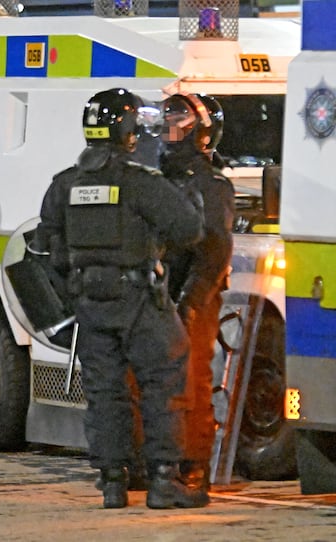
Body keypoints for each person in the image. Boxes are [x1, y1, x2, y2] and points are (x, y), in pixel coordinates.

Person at [32, 88, 207, 509]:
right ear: (127, 131)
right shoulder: (138, 182)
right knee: (163, 382)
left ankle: (113, 482)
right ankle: (165, 480)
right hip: (139, 301)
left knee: (106, 392)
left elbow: (44, 244)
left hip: (89, 304)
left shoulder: (65, 184)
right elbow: (189, 229)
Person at [160, 92, 235, 492]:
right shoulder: (156, 181)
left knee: (191, 380)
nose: (169, 134)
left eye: (178, 125)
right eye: (167, 125)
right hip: (159, 295)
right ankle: (155, 463)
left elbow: (215, 249)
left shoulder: (211, 185)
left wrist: (191, 302)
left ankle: (193, 465)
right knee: (150, 382)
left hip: (192, 299)